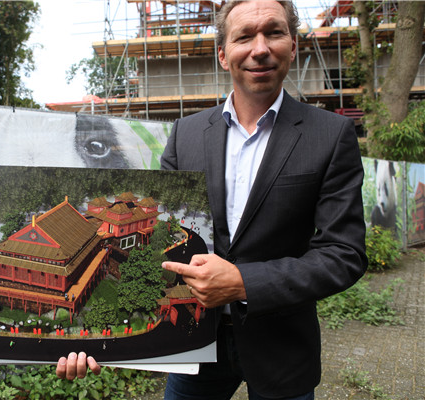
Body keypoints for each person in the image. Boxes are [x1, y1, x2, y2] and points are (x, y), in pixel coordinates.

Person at [56, 1, 367, 399]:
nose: (260, 48)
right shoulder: (186, 135)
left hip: (282, 348)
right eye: (243, 36)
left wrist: (243, 283)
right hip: (191, 343)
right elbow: (154, 241)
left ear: (292, 44)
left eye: (273, 32)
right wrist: (96, 339)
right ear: (223, 53)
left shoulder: (330, 134)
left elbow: (344, 254)